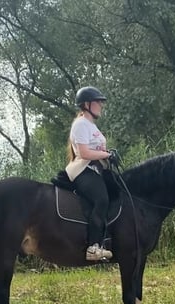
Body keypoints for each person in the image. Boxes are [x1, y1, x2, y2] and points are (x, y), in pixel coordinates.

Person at [65, 86, 118, 261]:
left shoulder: (91, 125)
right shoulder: (80, 124)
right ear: (87, 104)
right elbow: (84, 153)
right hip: (82, 170)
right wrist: (106, 154)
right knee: (101, 199)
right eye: (98, 102)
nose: (101, 105)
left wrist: (109, 153)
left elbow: (97, 149)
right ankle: (93, 247)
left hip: (96, 169)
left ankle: (109, 239)